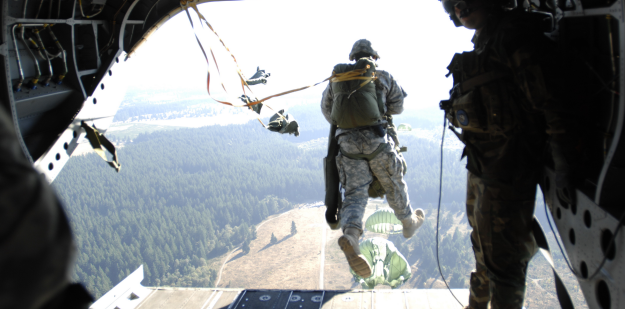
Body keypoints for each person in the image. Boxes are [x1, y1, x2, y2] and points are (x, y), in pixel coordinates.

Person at [439, 1, 588, 308]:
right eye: (454, 5)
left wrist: (563, 164)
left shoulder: (512, 35)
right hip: (484, 166)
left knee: (503, 263)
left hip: (509, 170)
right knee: (483, 249)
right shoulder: (488, 41)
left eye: (466, 1)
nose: (461, 10)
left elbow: (550, 101)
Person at [321, 39, 425, 278]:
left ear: (352, 57)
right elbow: (397, 107)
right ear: (373, 58)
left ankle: (351, 236)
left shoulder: (337, 80)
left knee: (355, 194)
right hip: (377, 141)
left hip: (347, 146)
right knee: (393, 184)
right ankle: (408, 223)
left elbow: (328, 112)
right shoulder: (382, 75)